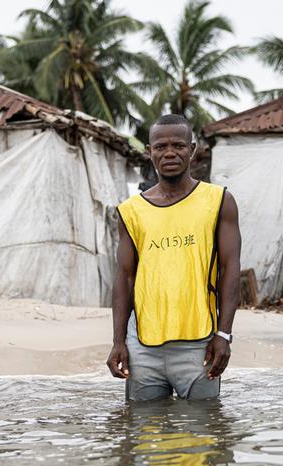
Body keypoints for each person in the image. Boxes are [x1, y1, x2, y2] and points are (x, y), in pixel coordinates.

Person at [106, 114, 241, 400]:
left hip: (200, 344)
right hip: (143, 346)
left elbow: (230, 270)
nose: (169, 153)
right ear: (149, 151)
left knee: (204, 432)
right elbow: (124, 277)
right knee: (143, 436)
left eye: (178, 146)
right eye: (161, 146)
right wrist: (119, 341)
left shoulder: (218, 201)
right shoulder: (131, 211)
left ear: (192, 150)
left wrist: (224, 335)